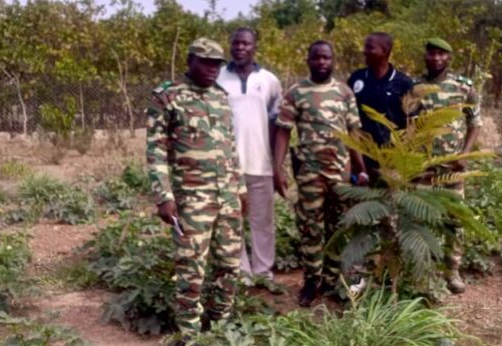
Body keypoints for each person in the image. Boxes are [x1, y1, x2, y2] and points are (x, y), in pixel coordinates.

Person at [146, 38, 246, 338]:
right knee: (191, 271)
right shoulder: (168, 97)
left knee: (229, 267)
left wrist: (240, 189)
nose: (212, 69)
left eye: (217, 63)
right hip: (192, 200)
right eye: (206, 62)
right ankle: (189, 335)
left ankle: (219, 326)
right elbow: (155, 152)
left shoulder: (220, 97)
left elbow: (230, 149)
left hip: (227, 198)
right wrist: (164, 196)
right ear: (190, 61)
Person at [274, 40, 369, 307]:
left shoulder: (344, 93)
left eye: (326, 58)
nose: (321, 62)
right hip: (309, 174)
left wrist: (361, 170)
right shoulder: (296, 92)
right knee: (310, 229)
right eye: (316, 58)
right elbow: (283, 131)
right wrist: (277, 168)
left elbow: (354, 134)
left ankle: (332, 278)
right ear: (308, 60)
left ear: (333, 60)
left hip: (340, 173)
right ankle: (312, 281)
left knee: (337, 227)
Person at [216, 28, 284, 293]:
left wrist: (278, 165)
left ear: (255, 46)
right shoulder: (219, 78)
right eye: (235, 43)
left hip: (261, 164)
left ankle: (263, 271)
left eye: (245, 43)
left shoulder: (269, 80)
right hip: (228, 166)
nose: (240, 47)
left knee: (262, 221)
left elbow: (277, 124)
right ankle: (241, 272)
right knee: (232, 221)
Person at [414, 37, 482, 294]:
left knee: (455, 220)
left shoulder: (463, 87)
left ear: (449, 57)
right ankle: (422, 269)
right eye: (431, 53)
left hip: (452, 167)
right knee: (419, 218)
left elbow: (475, 123)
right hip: (422, 167)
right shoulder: (415, 87)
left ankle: (451, 270)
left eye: (441, 54)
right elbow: (406, 123)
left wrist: (464, 154)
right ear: (426, 56)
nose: (436, 58)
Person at [347, 32, 414, 178]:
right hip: (361, 160)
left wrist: (402, 160)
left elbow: (412, 124)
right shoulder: (356, 78)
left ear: (385, 51)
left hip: (392, 162)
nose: (364, 51)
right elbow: (348, 122)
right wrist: (358, 165)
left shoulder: (403, 83)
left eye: (369, 48)